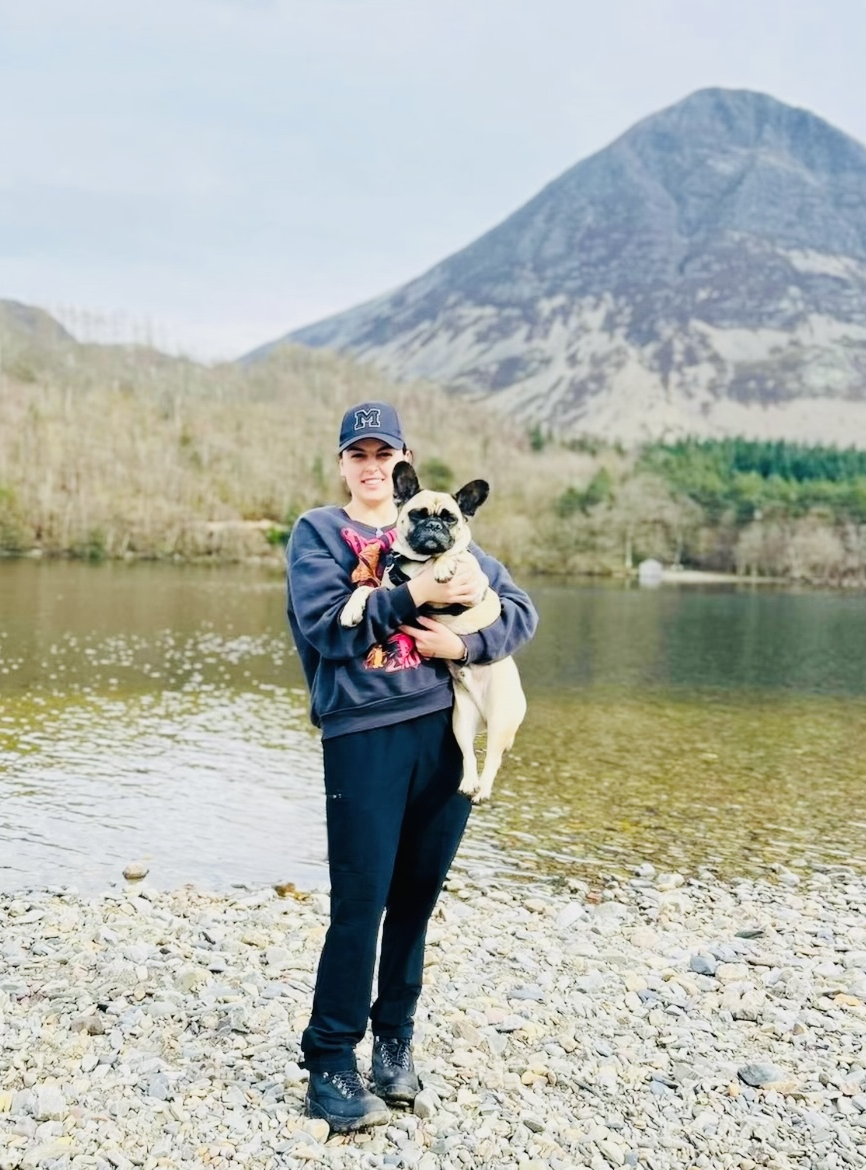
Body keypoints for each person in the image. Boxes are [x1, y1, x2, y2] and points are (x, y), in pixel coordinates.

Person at [284, 400, 539, 1132]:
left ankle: (393, 1043)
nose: (371, 467)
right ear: (342, 464)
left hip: (445, 736)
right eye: (358, 455)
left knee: (416, 900)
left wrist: (463, 647)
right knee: (360, 901)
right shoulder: (319, 533)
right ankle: (331, 1061)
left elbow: (520, 612)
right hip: (363, 732)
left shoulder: (451, 537)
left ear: (403, 464)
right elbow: (325, 630)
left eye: (383, 455)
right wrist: (415, 594)